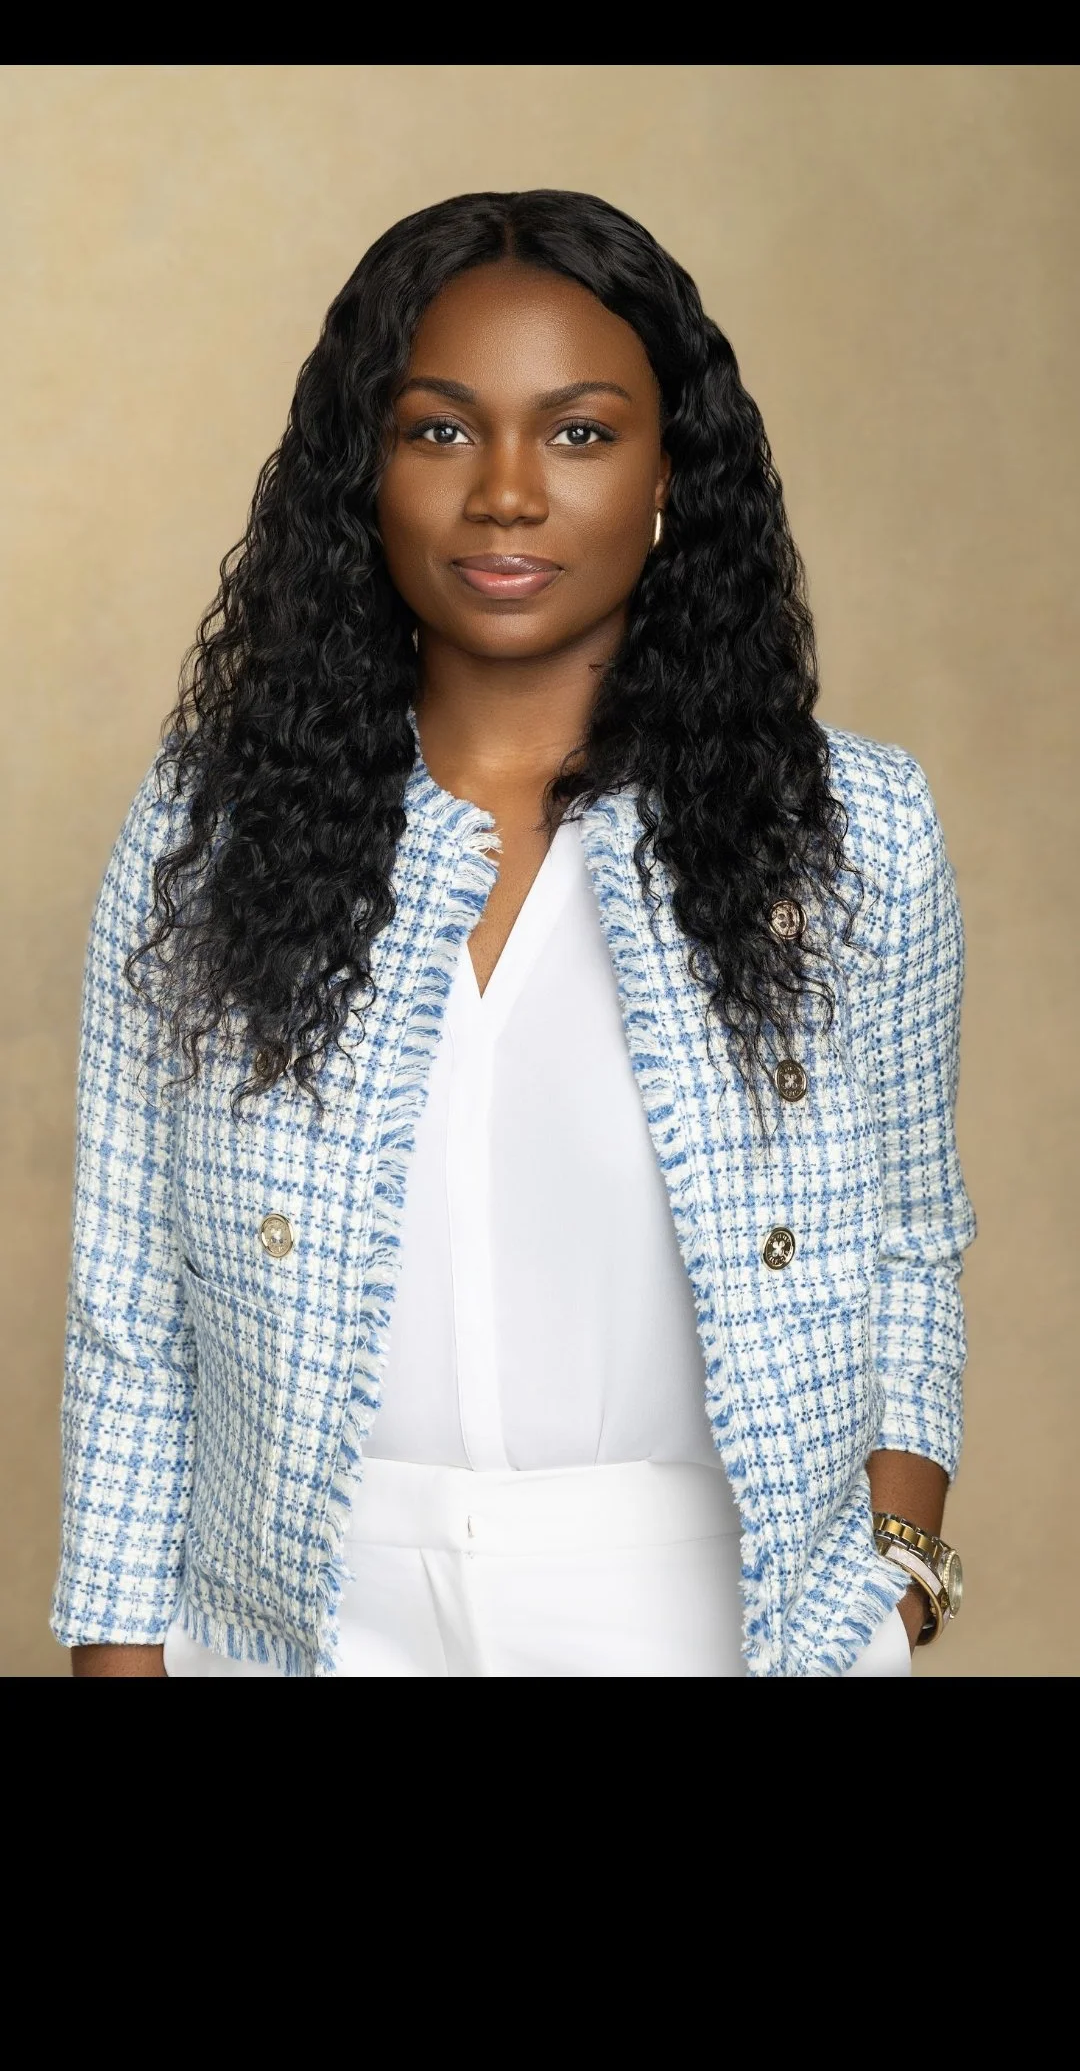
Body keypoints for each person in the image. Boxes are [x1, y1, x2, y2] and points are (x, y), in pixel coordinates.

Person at [52, 189, 975, 1678]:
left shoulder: (853, 830)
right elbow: (129, 1295)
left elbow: (910, 1237)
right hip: (295, 1618)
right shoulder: (205, 832)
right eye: (436, 431)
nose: (505, 493)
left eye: (581, 432)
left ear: (674, 471)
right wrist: (114, 1646)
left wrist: (897, 1563)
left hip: (710, 1608)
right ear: (362, 474)